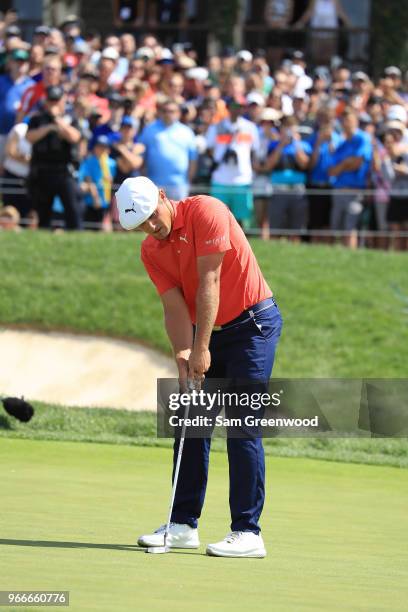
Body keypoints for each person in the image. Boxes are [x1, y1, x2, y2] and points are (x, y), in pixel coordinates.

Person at [115, 176, 283, 557]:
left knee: (241, 425)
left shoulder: (206, 210)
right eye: (140, 224)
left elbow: (211, 280)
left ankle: (248, 531)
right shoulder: (150, 250)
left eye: (152, 216)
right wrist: (181, 352)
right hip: (205, 332)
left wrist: (200, 347)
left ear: (163, 195)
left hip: (251, 326)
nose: (151, 227)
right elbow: (174, 307)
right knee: (191, 421)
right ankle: (182, 524)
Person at [26, 85, 82, 230]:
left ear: (63, 100)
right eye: (51, 100)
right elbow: (29, 137)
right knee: (43, 213)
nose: (54, 104)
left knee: (73, 211)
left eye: (57, 100)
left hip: (64, 171)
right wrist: (48, 128)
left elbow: (75, 137)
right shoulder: (37, 118)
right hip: (43, 170)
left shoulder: (70, 118)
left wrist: (57, 121)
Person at [206, 96, 259, 227]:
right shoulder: (217, 126)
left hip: (242, 180)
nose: (237, 110)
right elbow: (209, 148)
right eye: (234, 106)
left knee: (240, 219)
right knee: (218, 218)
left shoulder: (250, 127)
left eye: (240, 107)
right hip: (220, 179)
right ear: (228, 108)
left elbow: (255, 151)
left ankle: (239, 247)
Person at [328, 107, 372, 248]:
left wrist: (343, 165)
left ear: (356, 121)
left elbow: (357, 163)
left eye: (349, 120)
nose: (346, 123)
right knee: (335, 228)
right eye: (344, 120)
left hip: (354, 191)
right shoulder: (342, 143)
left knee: (350, 228)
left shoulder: (362, 138)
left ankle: (350, 257)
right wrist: (346, 163)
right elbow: (331, 171)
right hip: (339, 190)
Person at [138, 98, 197, 199]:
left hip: (179, 185)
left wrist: (188, 181)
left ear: (178, 113)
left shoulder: (187, 132)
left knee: (178, 214)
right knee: (156, 214)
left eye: (172, 111)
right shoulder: (149, 129)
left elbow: (193, 160)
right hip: (154, 184)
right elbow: (141, 155)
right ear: (160, 112)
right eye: (165, 111)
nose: (168, 114)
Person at [79, 135, 117, 230]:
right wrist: (95, 197)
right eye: (99, 146)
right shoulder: (89, 161)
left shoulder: (111, 163)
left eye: (104, 146)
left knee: (103, 226)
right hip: (91, 201)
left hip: (106, 200)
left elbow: (111, 180)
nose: (102, 149)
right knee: (90, 226)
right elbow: (87, 178)